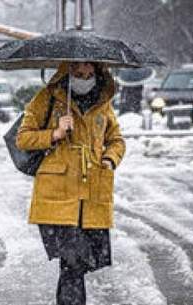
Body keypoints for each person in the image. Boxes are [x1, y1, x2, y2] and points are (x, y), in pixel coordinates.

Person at [16, 61, 126, 305]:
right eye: (78, 74)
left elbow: (117, 140)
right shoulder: (48, 98)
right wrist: (54, 133)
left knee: (80, 263)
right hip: (57, 196)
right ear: (67, 73)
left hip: (92, 196)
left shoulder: (102, 103)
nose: (84, 79)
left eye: (89, 74)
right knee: (73, 262)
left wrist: (109, 160)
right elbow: (22, 138)